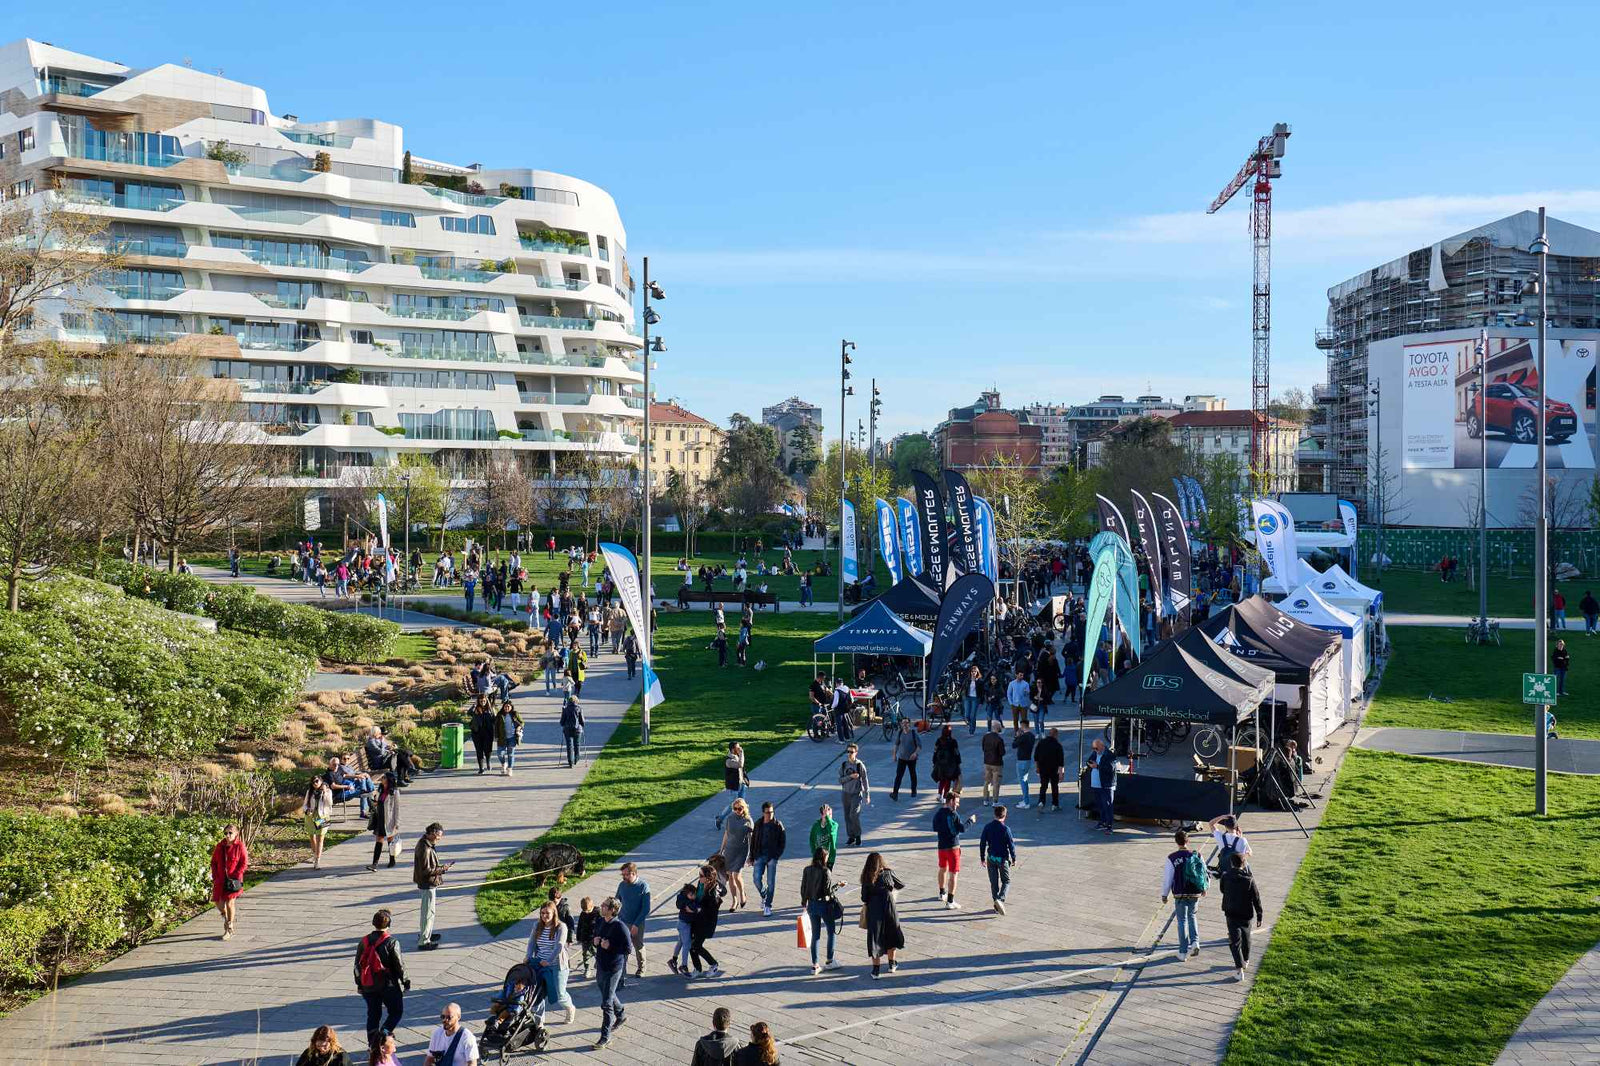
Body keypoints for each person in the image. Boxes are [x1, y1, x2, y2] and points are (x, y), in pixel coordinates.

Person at [355, 909, 409, 1049]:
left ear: (373, 923)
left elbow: (357, 965)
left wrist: (359, 984)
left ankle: (372, 1044)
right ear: (389, 924)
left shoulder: (364, 941)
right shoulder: (392, 942)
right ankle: (384, 1033)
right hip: (388, 985)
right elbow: (399, 965)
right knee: (396, 1012)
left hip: (368, 985)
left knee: (373, 1015)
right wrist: (405, 981)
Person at [590, 897, 632, 1049]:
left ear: (612, 910)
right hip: (601, 964)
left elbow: (628, 949)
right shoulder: (601, 921)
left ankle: (605, 1037)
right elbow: (595, 936)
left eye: (605, 905)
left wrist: (611, 946)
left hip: (613, 968)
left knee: (606, 1003)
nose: (601, 906)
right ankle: (621, 1014)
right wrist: (595, 941)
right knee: (608, 992)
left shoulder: (620, 927)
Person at [527, 900, 577, 1026]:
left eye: (547, 913)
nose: (545, 916)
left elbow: (559, 946)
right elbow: (531, 942)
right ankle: (539, 1021)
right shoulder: (537, 925)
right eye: (542, 913)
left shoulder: (561, 927)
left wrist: (548, 961)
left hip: (557, 964)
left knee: (560, 994)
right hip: (540, 963)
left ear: (554, 913)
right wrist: (528, 956)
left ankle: (570, 1008)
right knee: (537, 993)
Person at [1160, 828, 1207, 960]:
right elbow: (1204, 872)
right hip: (1195, 892)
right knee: (1192, 916)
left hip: (1180, 893)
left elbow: (1168, 878)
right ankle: (1195, 942)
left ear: (1176, 842)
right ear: (1188, 841)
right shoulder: (1197, 855)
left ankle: (1183, 952)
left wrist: (1164, 894)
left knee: (1182, 921)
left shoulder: (1172, 857)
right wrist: (1204, 888)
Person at [1219, 853, 1264, 981]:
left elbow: (1222, 890)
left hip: (1231, 912)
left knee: (1234, 941)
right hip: (1246, 913)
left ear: (1231, 863)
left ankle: (1239, 970)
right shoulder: (1249, 879)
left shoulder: (1225, 876)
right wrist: (1259, 914)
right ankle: (1246, 959)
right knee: (1246, 937)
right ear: (1244, 864)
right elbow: (1256, 897)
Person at [860, 851, 905, 979]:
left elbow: (864, 898)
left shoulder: (867, 876)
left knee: (875, 938)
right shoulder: (888, 872)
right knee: (892, 934)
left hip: (874, 910)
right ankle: (892, 964)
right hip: (889, 908)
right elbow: (900, 885)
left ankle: (876, 970)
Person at [799, 845, 842, 974]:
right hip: (823, 905)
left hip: (811, 905)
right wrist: (838, 885)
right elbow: (827, 892)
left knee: (815, 935)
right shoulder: (825, 871)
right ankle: (830, 960)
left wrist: (804, 901)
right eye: (827, 856)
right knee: (831, 931)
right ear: (823, 857)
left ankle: (815, 965)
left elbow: (803, 887)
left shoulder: (807, 869)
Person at [933, 792, 978, 909]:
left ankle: (942, 893)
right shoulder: (953, 814)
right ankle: (950, 901)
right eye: (956, 802)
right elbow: (962, 829)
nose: (957, 805)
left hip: (941, 846)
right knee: (954, 874)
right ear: (951, 801)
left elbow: (935, 827)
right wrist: (971, 821)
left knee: (942, 869)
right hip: (953, 848)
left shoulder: (938, 813)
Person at [414, 822, 450, 951]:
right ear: (433, 833)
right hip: (427, 883)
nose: (439, 838)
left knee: (429, 912)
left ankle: (427, 933)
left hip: (428, 883)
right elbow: (426, 870)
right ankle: (424, 941)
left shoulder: (426, 844)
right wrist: (442, 869)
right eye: (438, 836)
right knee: (428, 913)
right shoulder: (425, 848)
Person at [210, 823, 248, 940]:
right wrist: (215, 876)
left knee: (230, 903)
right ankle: (226, 918)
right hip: (220, 879)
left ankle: (229, 928)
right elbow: (213, 862)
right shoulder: (220, 846)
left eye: (230, 833)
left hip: (233, 880)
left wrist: (237, 875)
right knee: (218, 901)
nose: (227, 835)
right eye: (225, 833)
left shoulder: (240, 846)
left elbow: (244, 863)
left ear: (236, 833)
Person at [978, 805, 1017, 916]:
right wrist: (1014, 858)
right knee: (1006, 881)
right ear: (1005, 816)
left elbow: (982, 843)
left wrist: (982, 858)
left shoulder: (987, 827)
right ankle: (1000, 899)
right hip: (1002, 859)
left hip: (991, 858)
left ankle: (996, 904)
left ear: (994, 814)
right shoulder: (1006, 829)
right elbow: (1011, 845)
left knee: (994, 883)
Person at [616, 861, 652, 981]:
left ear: (634, 873)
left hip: (637, 922)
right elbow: (617, 901)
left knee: (638, 946)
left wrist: (636, 924)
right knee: (623, 946)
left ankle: (642, 968)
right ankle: (622, 970)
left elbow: (646, 908)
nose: (624, 877)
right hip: (623, 921)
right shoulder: (622, 885)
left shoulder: (643, 886)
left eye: (626, 875)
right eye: (623, 875)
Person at [750, 801, 786, 916]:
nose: (770, 814)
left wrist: (776, 856)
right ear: (763, 813)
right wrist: (751, 856)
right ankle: (764, 895)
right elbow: (753, 841)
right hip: (759, 855)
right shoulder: (758, 824)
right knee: (756, 879)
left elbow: (782, 843)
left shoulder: (778, 825)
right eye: (768, 812)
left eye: (772, 812)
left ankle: (768, 906)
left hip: (771, 857)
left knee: (771, 882)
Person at [719, 798, 755, 911]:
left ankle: (742, 893)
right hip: (730, 850)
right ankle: (734, 900)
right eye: (735, 808)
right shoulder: (730, 818)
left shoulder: (748, 820)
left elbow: (751, 839)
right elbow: (726, 834)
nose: (737, 811)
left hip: (741, 851)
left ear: (744, 808)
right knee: (730, 875)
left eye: (740, 808)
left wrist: (751, 855)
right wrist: (721, 850)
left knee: (736, 875)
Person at [838, 743, 870, 847]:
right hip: (845, 794)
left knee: (854, 815)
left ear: (856, 753)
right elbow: (840, 780)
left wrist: (867, 795)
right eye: (847, 752)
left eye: (851, 752)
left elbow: (865, 780)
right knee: (847, 816)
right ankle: (851, 837)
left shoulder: (859, 765)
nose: (849, 754)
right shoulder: (844, 765)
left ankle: (858, 836)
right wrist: (850, 776)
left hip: (856, 794)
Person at [1084, 737, 1118, 832]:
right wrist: (1089, 764)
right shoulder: (1095, 753)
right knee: (1100, 804)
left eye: (1096, 748)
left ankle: (1109, 825)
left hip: (1106, 784)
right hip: (1096, 784)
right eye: (1093, 748)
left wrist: (1097, 766)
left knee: (1108, 804)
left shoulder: (1109, 755)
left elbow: (1110, 768)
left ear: (1102, 746)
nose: (1095, 750)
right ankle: (1102, 821)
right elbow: (1088, 761)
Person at [303, 774, 334, 870]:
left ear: (321, 781)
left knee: (320, 838)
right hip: (311, 817)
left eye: (317, 781)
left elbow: (330, 804)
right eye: (313, 782)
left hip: (323, 817)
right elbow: (305, 804)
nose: (315, 783)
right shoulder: (310, 791)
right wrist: (307, 810)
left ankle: (317, 860)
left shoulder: (328, 791)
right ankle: (314, 854)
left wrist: (325, 792)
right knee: (312, 837)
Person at [716, 741, 748, 831]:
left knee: (742, 805)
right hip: (734, 787)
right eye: (738, 748)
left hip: (741, 784)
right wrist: (742, 753)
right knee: (732, 806)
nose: (740, 749)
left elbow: (742, 769)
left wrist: (745, 781)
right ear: (733, 749)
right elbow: (740, 765)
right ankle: (720, 819)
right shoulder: (729, 761)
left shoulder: (737, 756)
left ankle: (741, 822)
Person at [1034, 727, 1066, 812]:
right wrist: (1061, 773)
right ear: (1056, 735)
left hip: (1043, 768)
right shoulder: (1058, 745)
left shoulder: (1041, 742)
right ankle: (1054, 804)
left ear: (1049, 734)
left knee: (1043, 786)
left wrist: (1037, 767)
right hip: (1053, 769)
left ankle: (1041, 802)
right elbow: (1061, 762)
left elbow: (1036, 756)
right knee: (1054, 786)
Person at [890, 718, 921, 800]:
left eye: (906, 723)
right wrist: (894, 754)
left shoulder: (913, 733)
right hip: (902, 758)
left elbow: (919, 746)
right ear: (901, 724)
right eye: (903, 723)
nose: (905, 724)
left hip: (911, 759)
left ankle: (914, 791)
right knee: (899, 776)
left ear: (909, 724)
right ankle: (895, 793)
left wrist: (915, 753)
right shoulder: (900, 733)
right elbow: (896, 744)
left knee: (912, 774)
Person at [931, 724, 962, 800]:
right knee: (948, 780)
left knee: (942, 779)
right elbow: (957, 753)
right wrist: (958, 762)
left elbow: (935, 751)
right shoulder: (953, 741)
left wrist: (934, 761)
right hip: (950, 764)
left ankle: (939, 794)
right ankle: (945, 796)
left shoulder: (939, 740)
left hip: (940, 764)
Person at [494, 699, 523, 777]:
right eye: (505, 706)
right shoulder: (500, 715)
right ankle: (504, 764)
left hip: (512, 737)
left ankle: (510, 769)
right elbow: (496, 726)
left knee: (510, 754)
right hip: (502, 738)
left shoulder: (515, 714)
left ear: (511, 707)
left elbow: (522, 722)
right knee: (499, 754)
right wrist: (496, 736)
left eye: (508, 706)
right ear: (503, 707)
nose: (506, 708)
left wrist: (519, 728)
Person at [980, 722, 1006, 806]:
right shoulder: (999, 739)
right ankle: (995, 801)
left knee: (987, 782)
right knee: (996, 783)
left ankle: (985, 800)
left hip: (987, 762)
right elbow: (1002, 752)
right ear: (998, 728)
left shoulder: (986, 737)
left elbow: (983, 748)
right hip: (997, 763)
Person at [468, 697, 496, 775]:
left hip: (488, 733)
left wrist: (494, 713)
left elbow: (494, 720)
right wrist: (474, 705)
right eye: (481, 701)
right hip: (477, 733)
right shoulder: (476, 709)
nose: (482, 702)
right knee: (479, 750)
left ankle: (488, 761)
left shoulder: (490, 709)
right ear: (478, 701)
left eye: (484, 701)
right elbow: (469, 713)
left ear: (486, 701)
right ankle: (481, 768)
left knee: (488, 750)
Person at [809, 803, 839, 869]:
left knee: (826, 874)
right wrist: (814, 853)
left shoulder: (834, 825)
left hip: (829, 858)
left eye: (830, 814)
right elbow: (812, 840)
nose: (830, 817)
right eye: (829, 815)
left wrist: (827, 818)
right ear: (822, 815)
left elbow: (831, 831)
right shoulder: (816, 826)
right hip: (818, 857)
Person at [559, 690, 585, 768]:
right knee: (577, 744)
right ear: (576, 701)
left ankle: (570, 762)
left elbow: (562, 721)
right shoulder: (579, 708)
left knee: (569, 745)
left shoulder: (565, 709)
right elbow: (582, 721)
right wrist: (582, 726)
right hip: (577, 730)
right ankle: (576, 759)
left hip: (567, 729)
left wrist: (563, 725)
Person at [1011, 727, 1034, 810]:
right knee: (1025, 781)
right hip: (1028, 760)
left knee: (1023, 781)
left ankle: (1026, 802)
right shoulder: (1031, 736)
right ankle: (1025, 800)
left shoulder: (1023, 737)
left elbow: (1014, 745)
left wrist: (1017, 736)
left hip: (1021, 761)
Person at [831, 676, 855, 743]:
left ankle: (841, 740)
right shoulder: (847, 689)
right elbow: (852, 699)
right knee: (845, 724)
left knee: (839, 725)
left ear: (836, 683)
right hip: (846, 709)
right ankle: (847, 737)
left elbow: (835, 702)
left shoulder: (837, 691)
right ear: (842, 683)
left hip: (839, 710)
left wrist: (832, 707)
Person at [962, 664, 983, 735]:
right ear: (970, 672)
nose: (973, 673)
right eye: (972, 671)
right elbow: (963, 688)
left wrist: (981, 701)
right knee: (967, 715)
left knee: (972, 715)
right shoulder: (967, 680)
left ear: (977, 673)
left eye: (975, 671)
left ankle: (972, 730)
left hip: (975, 699)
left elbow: (982, 692)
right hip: (967, 698)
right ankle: (971, 723)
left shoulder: (979, 681)